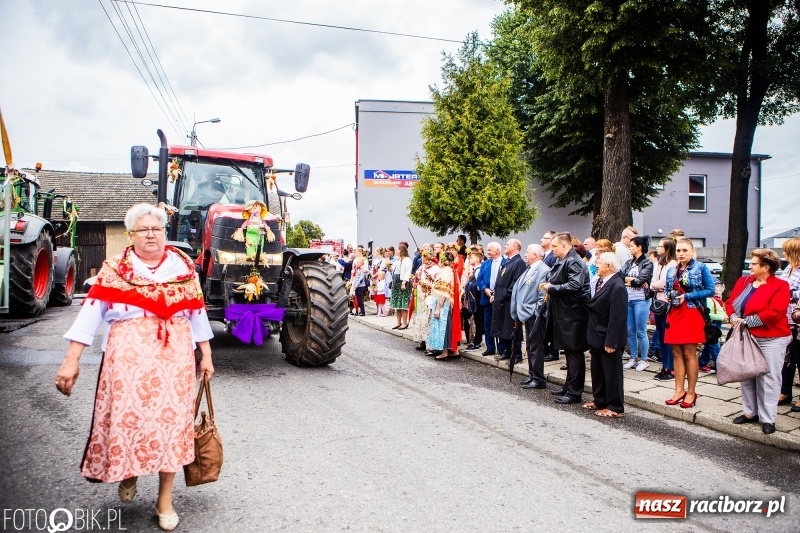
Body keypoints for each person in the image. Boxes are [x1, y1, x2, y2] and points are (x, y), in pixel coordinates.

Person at [56, 203, 213, 532]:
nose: (152, 235)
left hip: (174, 357)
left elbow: (197, 314)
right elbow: (90, 315)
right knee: (131, 421)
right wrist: (72, 360)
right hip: (128, 355)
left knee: (171, 426)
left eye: (157, 229)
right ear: (131, 235)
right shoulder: (115, 269)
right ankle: (128, 472)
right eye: (144, 230)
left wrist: (206, 354)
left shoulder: (183, 268)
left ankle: (164, 500)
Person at [727, 249, 792, 434]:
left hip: (772, 338)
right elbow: (730, 302)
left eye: (754, 263)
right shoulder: (744, 281)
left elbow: (775, 312)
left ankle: (768, 418)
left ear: (766, 267)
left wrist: (747, 321)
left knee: (769, 377)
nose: (750, 266)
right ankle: (750, 413)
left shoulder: (780, 286)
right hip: (746, 336)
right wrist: (732, 316)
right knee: (747, 375)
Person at [663, 238, 715, 408]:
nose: (681, 254)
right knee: (676, 353)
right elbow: (666, 289)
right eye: (678, 251)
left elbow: (710, 290)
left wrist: (687, 296)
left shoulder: (700, 267)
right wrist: (669, 296)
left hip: (692, 312)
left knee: (689, 353)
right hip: (675, 312)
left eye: (685, 250)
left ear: (692, 251)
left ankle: (691, 392)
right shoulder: (671, 269)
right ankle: (679, 389)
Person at [541, 232, 591, 405]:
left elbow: (574, 285)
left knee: (574, 352)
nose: (552, 249)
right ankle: (569, 386)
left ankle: (575, 392)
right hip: (565, 312)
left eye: (555, 246)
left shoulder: (574, 261)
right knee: (569, 353)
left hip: (574, 314)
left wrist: (552, 288)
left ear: (564, 245)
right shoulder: (563, 260)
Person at [584, 252, 628, 417]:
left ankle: (615, 406)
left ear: (609, 266)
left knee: (612, 373)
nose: (596, 265)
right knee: (598, 371)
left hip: (608, 337)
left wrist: (612, 341)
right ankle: (600, 400)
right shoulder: (602, 282)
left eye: (600, 262)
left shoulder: (617, 286)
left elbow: (618, 316)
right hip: (597, 335)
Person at [511, 244, 550, 389]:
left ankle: (538, 378)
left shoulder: (543, 270)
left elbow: (542, 295)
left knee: (536, 346)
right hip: (526, 313)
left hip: (535, 315)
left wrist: (536, 311)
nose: (525, 254)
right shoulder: (530, 268)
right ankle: (532, 375)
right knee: (529, 345)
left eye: (528, 252)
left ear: (535, 255)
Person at [621, 235, 654, 372]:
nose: (630, 248)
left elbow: (640, 280)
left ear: (639, 247)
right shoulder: (629, 262)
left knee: (641, 331)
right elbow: (619, 276)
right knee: (630, 331)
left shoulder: (647, 263)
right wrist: (631, 280)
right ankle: (633, 357)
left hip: (641, 300)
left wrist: (631, 280)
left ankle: (644, 359)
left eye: (632, 246)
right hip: (628, 299)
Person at [491, 239, 527, 363]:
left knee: (512, 328)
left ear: (515, 247)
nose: (505, 246)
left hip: (509, 301)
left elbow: (515, 282)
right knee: (503, 327)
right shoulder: (508, 262)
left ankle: (516, 354)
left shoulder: (519, 262)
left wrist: (504, 295)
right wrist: (495, 294)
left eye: (507, 245)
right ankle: (507, 351)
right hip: (501, 300)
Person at [777, 238, 800, 409]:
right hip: (785, 320)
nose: (783, 253)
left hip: (797, 321)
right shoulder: (788, 269)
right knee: (787, 358)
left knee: (799, 358)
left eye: (786, 250)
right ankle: (785, 391)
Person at [650, 238, 677, 381]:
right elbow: (654, 282)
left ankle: (670, 368)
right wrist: (655, 284)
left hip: (667, 304)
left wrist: (655, 284)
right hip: (659, 302)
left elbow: (664, 282)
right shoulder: (659, 264)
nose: (658, 247)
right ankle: (665, 366)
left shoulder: (672, 264)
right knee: (660, 335)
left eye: (660, 246)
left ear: (667, 249)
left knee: (667, 337)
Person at [428, 251, 458, 360]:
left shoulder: (446, 272)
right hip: (444, 303)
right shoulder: (449, 271)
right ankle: (446, 350)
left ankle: (444, 352)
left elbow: (444, 292)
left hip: (443, 304)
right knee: (444, 326)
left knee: (443, 327)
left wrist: (438, 308)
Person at [477, 242, 506, 356]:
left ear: (497, 251)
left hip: (500, 298)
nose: (487, 252)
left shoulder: (505, 263)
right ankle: (490, 347)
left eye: (490, 250)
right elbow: (479, 279)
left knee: (499, 323)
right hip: (486, 297)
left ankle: (502, 348)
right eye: (487, 250)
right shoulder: (485, 264)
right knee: (487, 324)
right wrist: (485, 289)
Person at [410, 247, 440, 351]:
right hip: (420, 297)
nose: (422, 258)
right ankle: (422, 340)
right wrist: (414, 281)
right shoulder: (421, 267)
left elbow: (437, 282)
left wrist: (427, 284)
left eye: (423, 256)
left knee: (428, 318)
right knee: (420, 318)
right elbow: (416, 278)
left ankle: (429, 343)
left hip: (428, 296)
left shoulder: (435, 268)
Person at [698, 281, 727, 373]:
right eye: (717, 286)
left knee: (708, 345)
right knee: (715, 346)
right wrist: (723, 317)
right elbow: (709, 314)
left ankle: (702, 363)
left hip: (715, 326)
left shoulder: (716, 299)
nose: (719, 288)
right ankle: (720, 367)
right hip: (712, 326)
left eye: (720, 286)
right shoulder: (709, 300)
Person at [390, 243, 413, 330]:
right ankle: (398, 322)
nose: (396, 251)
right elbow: (395, 270)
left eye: (397, 249)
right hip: (396, 281)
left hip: (403, 281)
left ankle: (404, 323)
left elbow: (407, 272)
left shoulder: (407, 260)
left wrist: (404, 282)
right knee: (397, 303)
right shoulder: (398, 259)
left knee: (403, 303)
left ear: (402, 250)